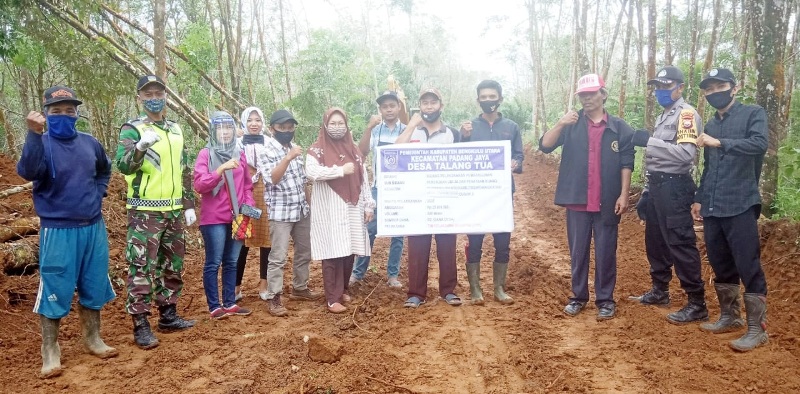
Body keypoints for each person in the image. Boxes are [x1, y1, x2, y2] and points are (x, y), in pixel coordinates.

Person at [17, 86, 118, 378]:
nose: (64, 115)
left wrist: (100, 192)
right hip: (58, 230)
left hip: (93, 227)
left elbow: (104, 169)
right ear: (46, 113)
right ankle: (50, 349)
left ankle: (92, 338)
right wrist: (33, 134)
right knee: (56, 287)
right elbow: (27, 170)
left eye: (70, 110)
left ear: (77, 113)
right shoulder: (42, 142)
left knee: (94, 282)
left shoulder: (90, 143)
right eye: (57, 111)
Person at [539, 73, 635, 321]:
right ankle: (578, 297)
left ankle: (605, 300)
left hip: (607, 200)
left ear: (603, 94)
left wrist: (624, 195)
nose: (587, 99)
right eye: (583, 95)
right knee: (578, 251)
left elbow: (627, 162)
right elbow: (545, 145)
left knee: (606, 251)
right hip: (577, 200)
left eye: (592, 94)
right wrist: (560, 123)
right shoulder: (571, 125)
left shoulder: (619, 127)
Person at [115, 75, 196, 349]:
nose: (153, 97)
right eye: (147, 93)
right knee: (141, 267)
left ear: (165, 95)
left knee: (172, 265)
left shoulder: (175, 129)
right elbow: (123, 166)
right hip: (144, 211)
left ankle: (168, 315)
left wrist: (188, 204)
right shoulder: (132, 128)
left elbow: (183, 170)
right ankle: (140, 324)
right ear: (139, 97)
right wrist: (139, 148)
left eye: (158, 92)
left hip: (173, 210)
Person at [693, 68, 769, 351]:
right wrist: (700, 198)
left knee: (748, 263)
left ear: (734, 88)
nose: (714, 93)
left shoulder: (753, 113)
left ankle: (756, 329)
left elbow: (760, 144)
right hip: (713, 205)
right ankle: (729, 316)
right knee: (720, 261)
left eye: (720, 86)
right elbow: (709, 167)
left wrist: (721, 142)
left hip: (740, 202)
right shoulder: (711, 123)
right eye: (709, 90)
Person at [628, 65, 708, 324]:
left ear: (680, 87)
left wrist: (649, 141)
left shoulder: (686, 115)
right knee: (656, 241)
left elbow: (686, 154)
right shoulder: (664, 116)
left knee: (680, 241)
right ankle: (659, 290)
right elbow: (658, 159)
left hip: (675, 187)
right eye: (658, 87)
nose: (661, 91)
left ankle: (696, 302)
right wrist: (648, 191)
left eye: (666, 86)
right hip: (658, 185)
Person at [395, 87, 463, 308]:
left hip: (445, 198)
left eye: (433, 102)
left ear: (440, 106)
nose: (429, 106)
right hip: (417, 198)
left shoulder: (452, 133)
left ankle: (448, 291)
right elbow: (394, 152)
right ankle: (416, 293)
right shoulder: (411, 131)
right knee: (417, 246)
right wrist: (412, 125)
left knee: (446, 246)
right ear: (420, 107)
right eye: (425, 103)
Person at [459, 80, 524, 305]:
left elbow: (519, 155)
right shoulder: (469, 127)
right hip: (475, 195)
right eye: (483, 97)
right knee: (475, 240)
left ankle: (499, 288)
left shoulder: (511, 127)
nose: (488, 100)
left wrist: (514, 164)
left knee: (502, 241)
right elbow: (458, 157)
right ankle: (475, 289)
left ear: (500, 99)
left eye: (492, 96)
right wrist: (463, 137)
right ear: (478, 100)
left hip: (502, 194)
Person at [306, 108, 375, 313]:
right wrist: (339, 170)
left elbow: (362, 179)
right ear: (326, 125)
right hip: (330, 208)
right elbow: (311, 172)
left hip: (353, 206)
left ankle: (343, 288)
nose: (337, 127)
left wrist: (368, 204)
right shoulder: (316, 150)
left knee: (349, 249)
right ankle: (332, 297)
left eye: (340, 123)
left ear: (346, 125)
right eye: (333, 123)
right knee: (332, 250)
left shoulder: (353, 150)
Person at [258, 109, 322, 316]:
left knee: (305, 250)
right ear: (272, 129)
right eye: (282, 127)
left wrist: (310, 206)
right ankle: (274, 297)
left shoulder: (294, 147)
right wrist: (287, 158)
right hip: (280, 213)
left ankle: (299, 287)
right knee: (278, 256)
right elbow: (272, 179)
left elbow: (302, 180)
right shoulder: (266, 151)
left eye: (290, 127)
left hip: (301, 208)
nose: (287, 131)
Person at [194, 111, 255, 319]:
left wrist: (248, 204)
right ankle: (214, 306)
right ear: (213, 130)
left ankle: (229, 303)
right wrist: (220, 169)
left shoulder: (240, 153)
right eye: (220, 128)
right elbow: (200, 185)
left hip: (237, 216)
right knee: (214, 261)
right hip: (213, 219)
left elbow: (247, 184)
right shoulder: (206, 154)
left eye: (228, 127)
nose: (225, 132)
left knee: (231, 261)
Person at [351, 91, 407, 288]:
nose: (389, 109)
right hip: (378, 187)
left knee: (398, 233)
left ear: (399, 107)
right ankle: (358, 273)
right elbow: (362, 152)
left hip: (401, 189)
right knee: (370, 229)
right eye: (385, 107)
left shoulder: (407, 130)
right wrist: (368, 127)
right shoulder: (376, 131)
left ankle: (393, 275)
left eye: (392, 105)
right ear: (380, 110)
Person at [234, 106, 272, 301]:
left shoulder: (270, 143)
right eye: (250, 120)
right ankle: (236, 288)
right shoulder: (237, 143)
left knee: (267, 241)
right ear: (244, 122)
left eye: (257, 120)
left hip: (266, 194)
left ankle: (264, 286)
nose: (254, 124)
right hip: (244, 194)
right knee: (242, 239)